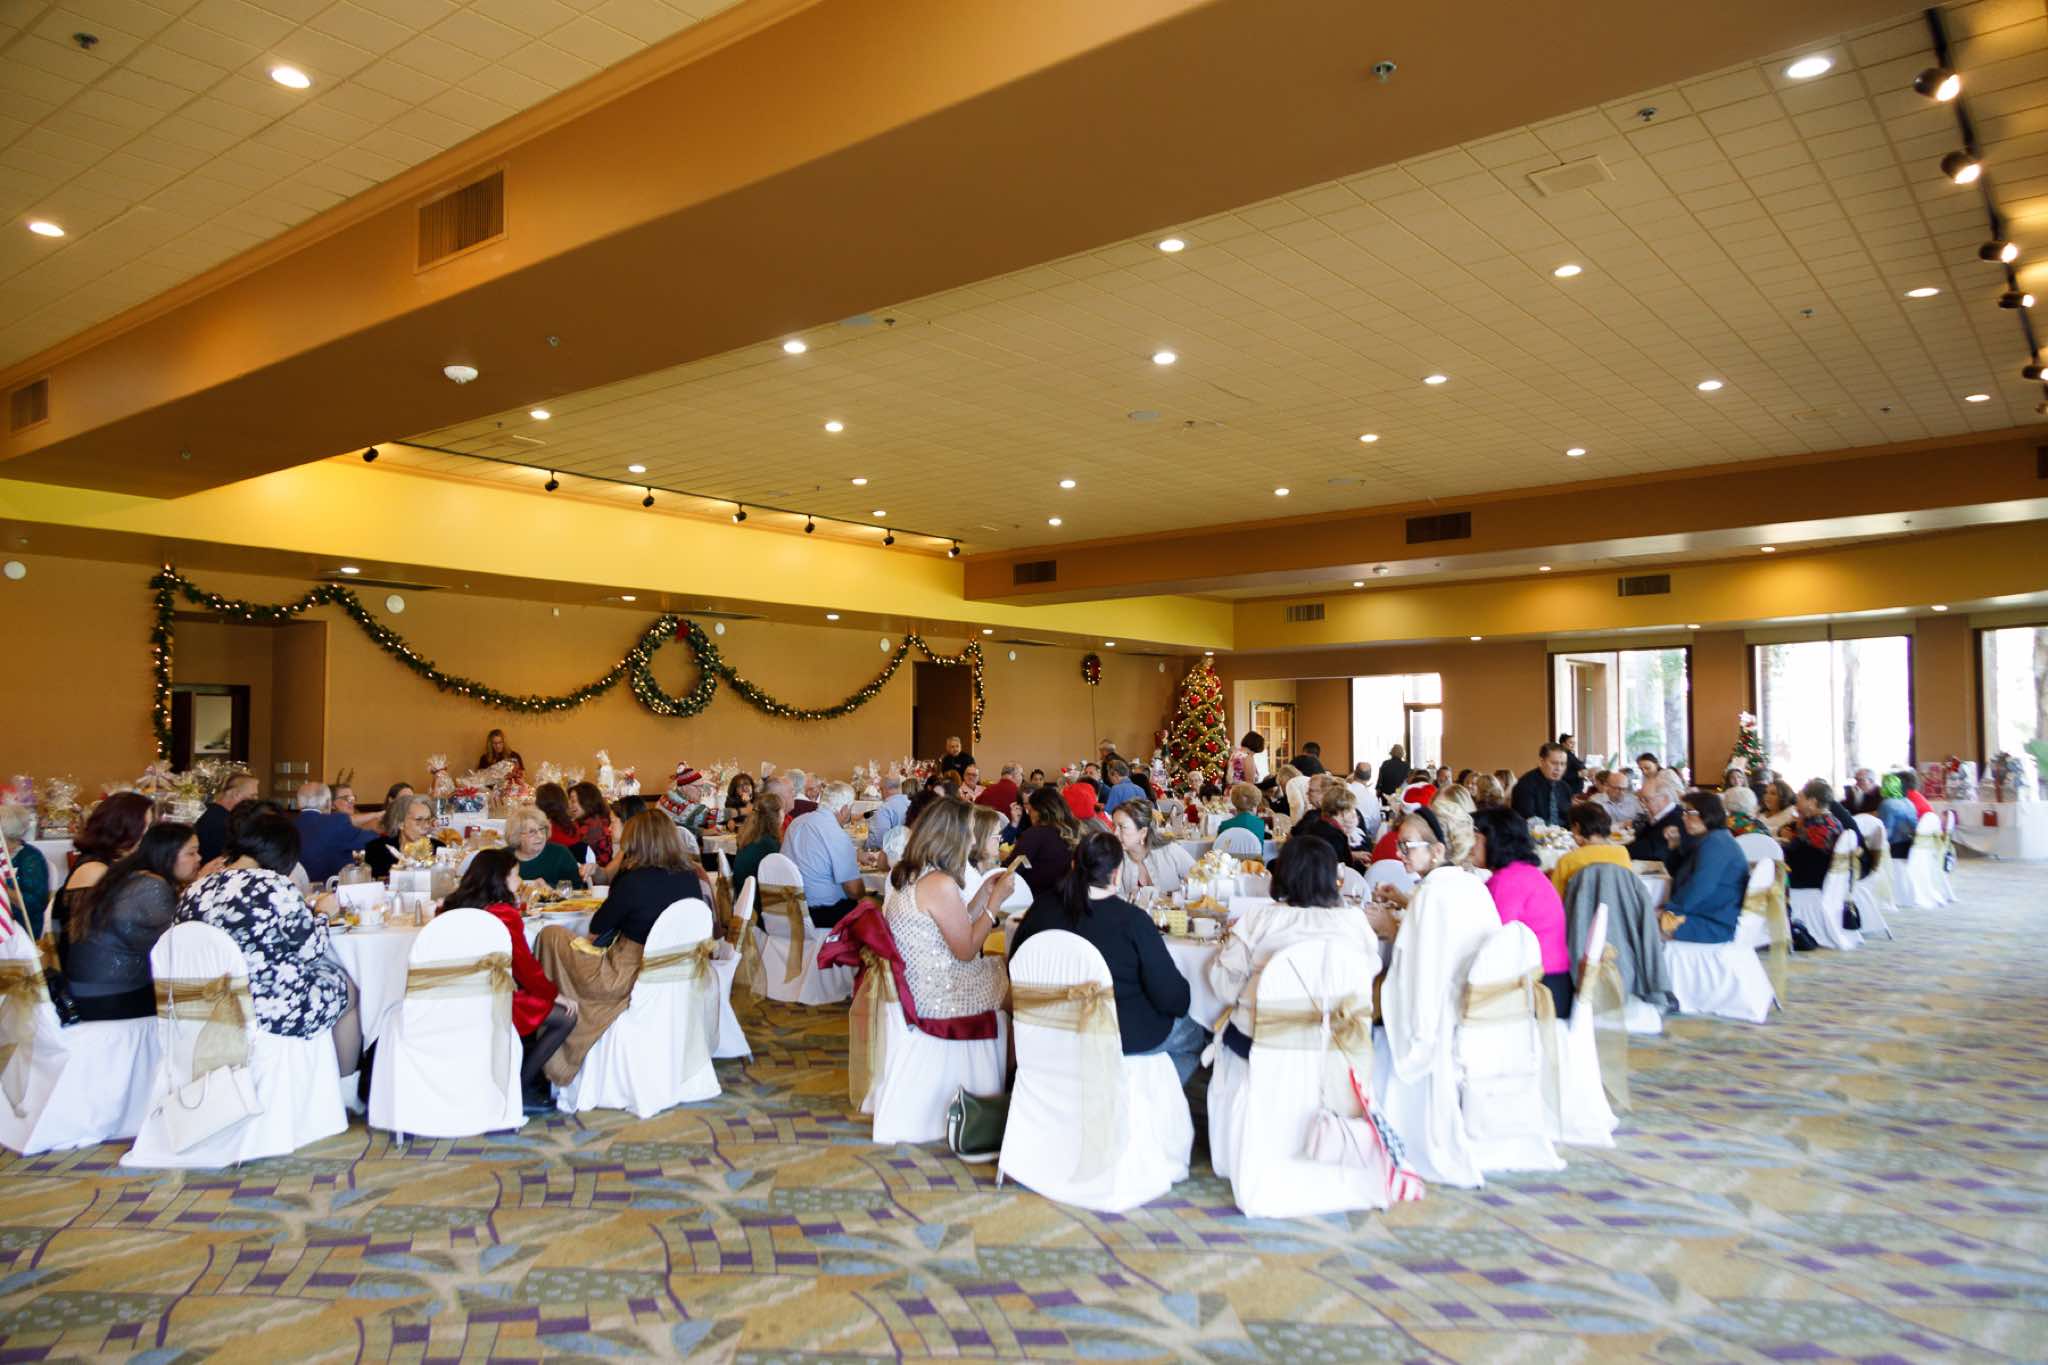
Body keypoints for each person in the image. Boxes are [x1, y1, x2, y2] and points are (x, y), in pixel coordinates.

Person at [1009, 825, 1207, 1080]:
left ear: (1073, 865)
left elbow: (1015, 965)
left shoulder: (1041, 909)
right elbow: (1173, 999)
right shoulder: (1133, 921)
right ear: (1116, 875)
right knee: (1194, 1037)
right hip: (1121, 1035)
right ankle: (1140, 1097)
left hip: (1049, 1030)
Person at [532, 813, 704, 1086]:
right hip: (678, 970)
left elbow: (596, 929)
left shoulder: (634, 880)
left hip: (625, 974)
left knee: (551, 936)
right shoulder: (689, 877)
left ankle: (550, 1038)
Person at [179, 813, 358, 1072]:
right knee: (348, 988)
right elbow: (311, 951)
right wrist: (322, 914)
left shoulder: (194, 889)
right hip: (271, 1011)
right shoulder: (274, 885)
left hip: (205, 1009)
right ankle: (346, 1084)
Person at [1208, 833, 1385, 1060]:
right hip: (1337, 1044)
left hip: (1261, 1040)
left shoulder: (1258, 919)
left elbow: (1224, 988)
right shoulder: (1355, 921)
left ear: (1282, 873)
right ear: (1333, 877)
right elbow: (1367, 978)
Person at [439, 848, 573, 1113]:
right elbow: (525, 968)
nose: (519, 881)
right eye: (515, 875)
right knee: (566, 1017)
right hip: (493, 1000)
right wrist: (554, 994)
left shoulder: (448, 909)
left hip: (454, 998)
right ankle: (519, 1086)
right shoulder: (504, 914)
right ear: (500, 879)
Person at [59, 821, 197, 1021]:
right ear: (167, 854)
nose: (199, 858)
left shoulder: (128, 875)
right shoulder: (151, 887)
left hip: (88, 986)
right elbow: (175, 945)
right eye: (191, 853)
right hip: (109, 995)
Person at [1469, 807, 1572, 1016]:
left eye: (1475, 838)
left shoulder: (1507, 881)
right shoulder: (1523, 872)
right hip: (1551, 982)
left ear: (1494, 839)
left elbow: (1489, 941)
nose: (1469, 846)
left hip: (1541, 991)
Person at [1661, 791, 1747, 944]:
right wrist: (1674, 845)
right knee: (1644, 919)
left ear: (1708, 813)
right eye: (1684, 813)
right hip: (1707, 913)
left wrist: (1670, 910)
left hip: (1715, 923)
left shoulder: (1716, 843)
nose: (1683, 817)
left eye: (1689, 812)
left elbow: (1700, 886)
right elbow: (1679, 875)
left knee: (1643, 924)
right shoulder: (1712, 838)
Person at [782, 781, 866, 928]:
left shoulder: (796, 823)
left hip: (788, 908)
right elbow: (854, 891)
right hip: (820, 914)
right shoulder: (837, 834)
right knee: (867, 907)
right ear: (844, 809)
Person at [293, 781, 375, 883]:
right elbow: (373, 841)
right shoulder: (337, 823)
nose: (352, 802)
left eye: (352, 798)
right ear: (330, 803)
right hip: (332, 888)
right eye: (346, 798)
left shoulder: (289, 826)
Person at [1111, 798, 1194, 897]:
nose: (1115, 833)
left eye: (1122, 827)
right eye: (1114, 826)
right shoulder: (1116, 860)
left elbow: (1201, 880)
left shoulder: (1170, 851)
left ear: (1143, 832)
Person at [1549, 800, 1634, 896]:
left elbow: (1555, 898)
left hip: (1579, 905)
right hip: (1615, 905)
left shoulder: (1567, 860)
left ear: (1577, 827)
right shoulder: (1622, 853)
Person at [1013, 784, 1081, 903]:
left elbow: (1011, 869)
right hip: (1069, 898)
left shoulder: (1035, 834)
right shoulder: (1076, 830)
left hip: (1035, 900)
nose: (1028, 814)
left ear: (1039, 811)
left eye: (1030, 809)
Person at [1780, 779, 1846, 890]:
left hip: (1812, 881)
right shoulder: (1829, 820)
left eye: (1800, 797)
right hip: (1815, 874)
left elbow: (1793, 853)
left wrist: (1789, 839)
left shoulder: (1819, 827)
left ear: (1812, 802)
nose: (1796, 801)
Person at [1, 804, 51, 938]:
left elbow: (35, 904)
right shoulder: (2, 854)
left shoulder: (31, 858)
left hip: (20, 929)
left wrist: (3, 888)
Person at [364, 794, 436, 879]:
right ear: (400, 824)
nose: (426, 826)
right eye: (419, 820)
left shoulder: (437, 849)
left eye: (428, 820)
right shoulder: (377, 850)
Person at [510, 805, 585, 886]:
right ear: (517, 835)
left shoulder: (560, 853)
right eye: (532, 832)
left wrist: (550, 890)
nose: (540, 836)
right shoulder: (504, 858)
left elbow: (577, 887)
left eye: (542, 829)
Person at [193, 772, 258, 863]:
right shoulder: (225, 824)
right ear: (235, 794)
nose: (255, 801)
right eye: (252, 796)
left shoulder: (207, 810)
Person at [729, 793, 784, 894]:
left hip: (743, 894)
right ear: (776, 815)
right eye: (783, 810)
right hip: (756, 897)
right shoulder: (768, 844)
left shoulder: (750, 837)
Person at [1510, 743, 1574, 827]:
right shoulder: (1525, 785)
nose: (1558, 768)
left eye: (1563, 764)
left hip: (1564, 833)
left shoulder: (1564, 787)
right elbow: (1527, 819)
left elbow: (1568, 818)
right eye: (1554, 763)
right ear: (1541, 762)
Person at [656, 765, 714, 835]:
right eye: (697, 787)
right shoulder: (682, 806)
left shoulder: (665, 798)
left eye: (702, 787)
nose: (701, 790)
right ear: (684, 787)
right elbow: (711, 819)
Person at [1876, 773, 1919, 859]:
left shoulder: (1887, 804)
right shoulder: (1908, 802)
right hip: (1910, 845)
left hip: (1895, 847)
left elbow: (1887, 832)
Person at [570, 782, 613, 866]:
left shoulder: (594, 826)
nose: (570, 805)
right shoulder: (582, 822)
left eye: (573, 801)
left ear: (586, 801)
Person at [865, 776, 909, 851]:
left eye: (881, 789)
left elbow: (877, 842)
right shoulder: (911, 803)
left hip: (891, 854)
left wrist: (864, 847)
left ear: (885, 789)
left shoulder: (884, 809)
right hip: (910, 851)